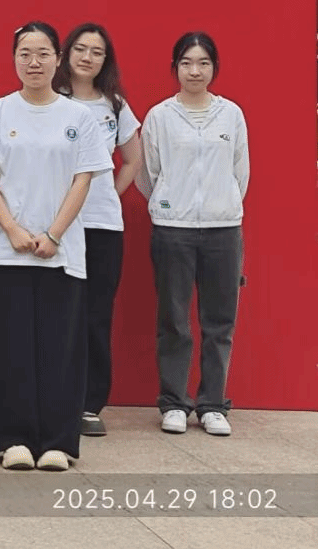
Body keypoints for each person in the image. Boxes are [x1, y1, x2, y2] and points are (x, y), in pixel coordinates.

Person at [0, 21, 111, 472]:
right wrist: (11, 229)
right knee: (8, 348)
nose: (34, 62)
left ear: (57, 59)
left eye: (43, 53)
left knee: (59, 349)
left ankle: (57, 442)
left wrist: (53, 234)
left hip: (61, 253)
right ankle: (12, 440)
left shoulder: (78, 118)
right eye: (25, 53)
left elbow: (83, 179)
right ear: (14, 59)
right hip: (3, 250)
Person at [137, 32, 248, 438]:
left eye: (203, 63)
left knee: (219, 321)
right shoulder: (160, 116)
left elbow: (240, 172)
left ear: (214, 67)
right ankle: (174, 403)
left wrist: (221, 204)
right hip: (174, 230)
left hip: (223, 230)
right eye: (186, 63)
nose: (195, 71)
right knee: (174, 319)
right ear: (175, 68)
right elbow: (149, 174)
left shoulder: (231, 115)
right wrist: (171, 203)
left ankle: (213, 404)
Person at [52, 23, 142, 437]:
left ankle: (90, 404)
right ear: (66, 53)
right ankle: (55, 397)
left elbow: (133, 160)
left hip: (102, 225)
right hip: (56, 226)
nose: (87, 57)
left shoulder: (115, 105)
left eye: (97, 52)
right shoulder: (52, 100)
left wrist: (108, 194)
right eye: (81, 49)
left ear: (106, 61)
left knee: (95, 315)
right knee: (57, 313)